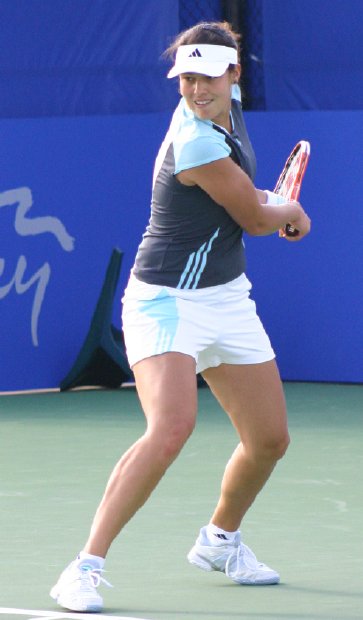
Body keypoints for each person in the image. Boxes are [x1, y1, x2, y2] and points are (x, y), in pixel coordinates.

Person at [50, 21, 311, 613]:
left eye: (207, 77)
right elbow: (252, 216)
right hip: (165, 300)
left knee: (269, 439)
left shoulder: (230, 106)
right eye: (186, 79)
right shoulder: (194, 140)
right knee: (171, 427)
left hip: (225, 297)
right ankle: (84, 567)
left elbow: (250, 203)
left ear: (234, 76)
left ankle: (220, 539)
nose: (196, 90)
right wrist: (289, 209)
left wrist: (275, 208)